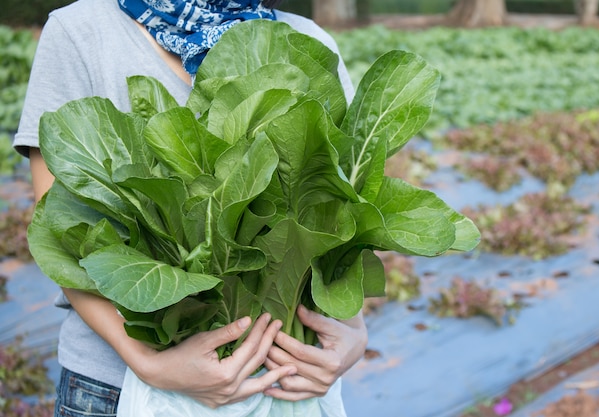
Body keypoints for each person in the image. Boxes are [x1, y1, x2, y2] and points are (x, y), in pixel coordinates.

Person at [13, 0, 368, 415]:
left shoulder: (307, 39)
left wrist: (354, 335)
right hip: (115, 386)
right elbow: (61, 236)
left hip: (284, 388)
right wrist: (150, 364)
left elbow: (338, 209)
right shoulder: (82, 31)